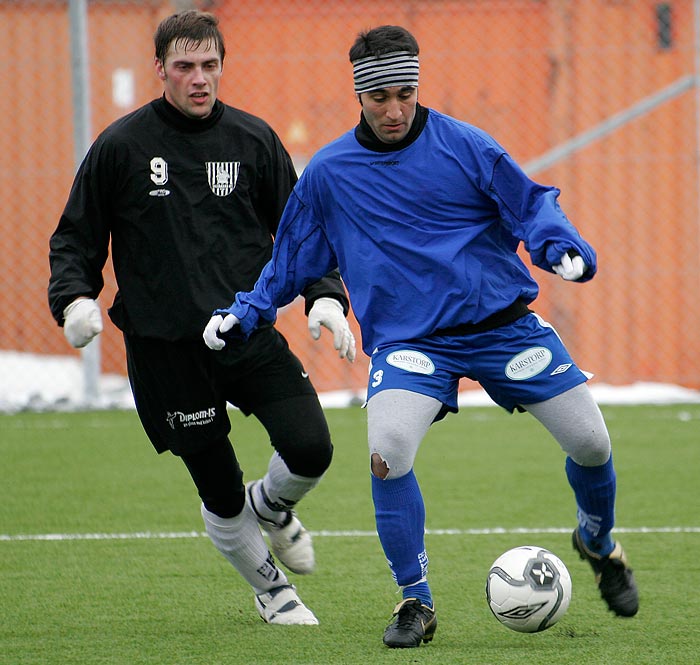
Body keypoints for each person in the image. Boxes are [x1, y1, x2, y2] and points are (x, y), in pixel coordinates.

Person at [203, 24, 640, 646]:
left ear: (417, 86)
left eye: (404, 93)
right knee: (387, 452)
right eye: (379, 97)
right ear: (359, 96)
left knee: (591, 443)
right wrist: (246, 311)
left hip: (503, 329)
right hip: (414, 346)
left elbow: (531, 206)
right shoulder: (328, 173)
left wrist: (563, 247)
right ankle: (416, 601)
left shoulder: (465, 145)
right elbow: (291, 259)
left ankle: (597, 544)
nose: (394, 109)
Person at [48, 10, 356, 626]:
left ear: (222, 66)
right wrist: (74, 299)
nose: (198, 79)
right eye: (184, 66)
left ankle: (269, 507)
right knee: (217, 485)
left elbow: (300, 233)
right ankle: (272, 591)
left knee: (311, 448)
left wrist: (323, 294)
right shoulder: (120, 148)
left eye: (209, 65)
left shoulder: (253, 140)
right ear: (159, 69)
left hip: (246, 333)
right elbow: (74, 239)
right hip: (167, 352)